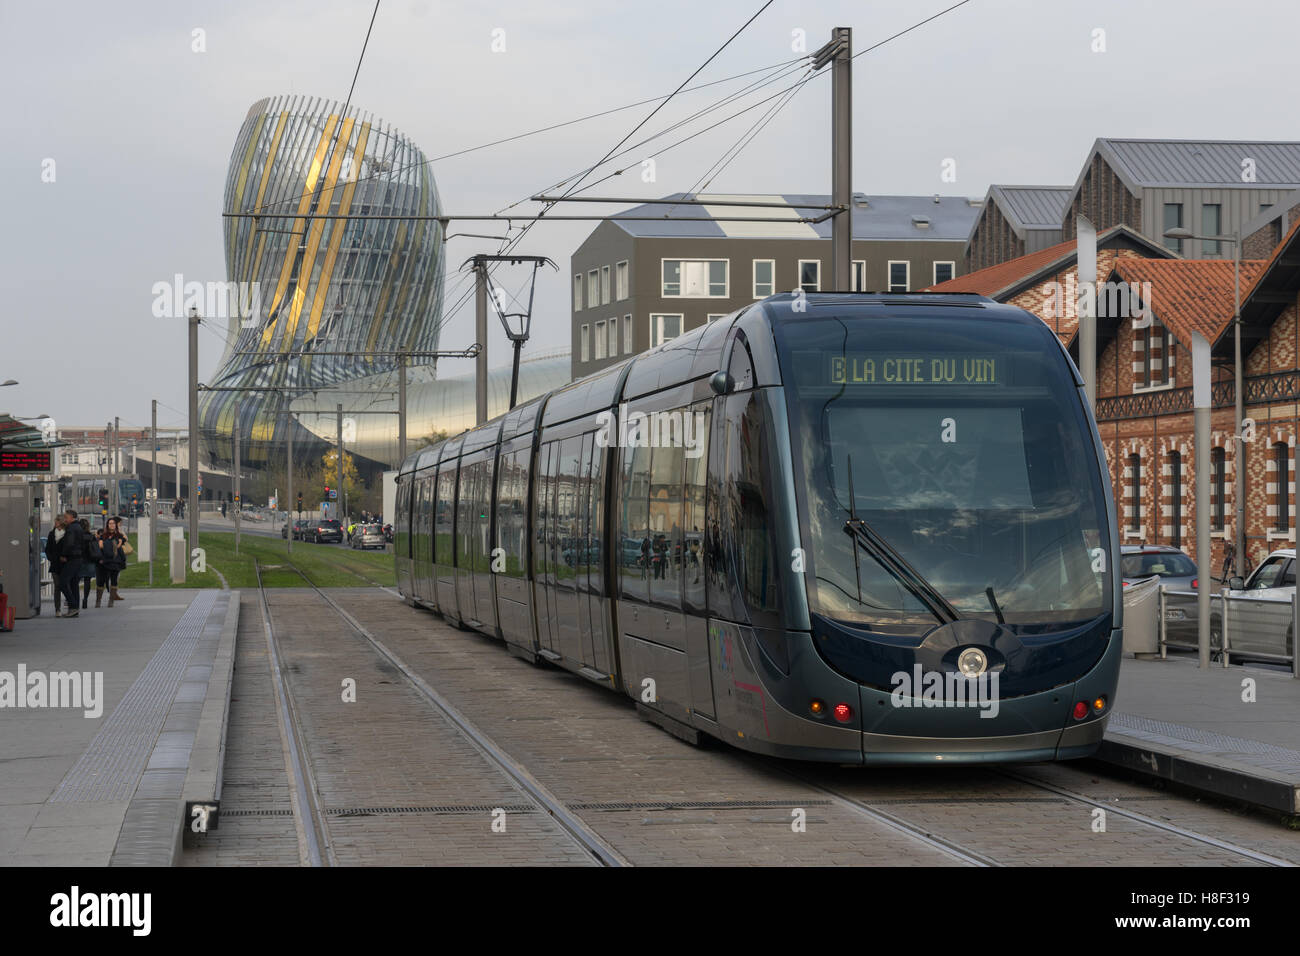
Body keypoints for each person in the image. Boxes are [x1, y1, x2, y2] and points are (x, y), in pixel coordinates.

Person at [57, 509, 86, 618]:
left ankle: (73, 605)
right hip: (78, 558)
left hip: (72, 558)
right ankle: (74, 609)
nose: (64, 519)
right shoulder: (78, 527)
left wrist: (64, 555)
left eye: (66, 517)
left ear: (71, 517)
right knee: (74, 584)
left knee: (63, 582)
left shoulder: (71, 529)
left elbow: (69, 543)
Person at [98, 517, 129, 607]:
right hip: (106, 561)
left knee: (114, 580)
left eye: (113, 523)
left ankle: (111, 600)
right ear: (107, 525)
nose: (112, 525)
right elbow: (100, 546)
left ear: (116, 525)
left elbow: (121, 543)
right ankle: (98, 600)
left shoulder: (119, 535)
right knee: (102, 580)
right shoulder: (103, 535)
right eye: (110, 523)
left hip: (116, 560)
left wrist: (109, 543)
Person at [44, 515, 66, 615]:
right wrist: (51, 558)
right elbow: (48, 549)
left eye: (57, 521)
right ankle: (57, 609)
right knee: (57, 586)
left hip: (65, 564)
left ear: (61, 522)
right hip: (55, 564)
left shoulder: (67, 533)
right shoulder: (51, 534)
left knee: (65, 585)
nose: (55, 523)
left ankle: (70, 603)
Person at [77, 519, 99, 609]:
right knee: (87, 581)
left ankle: (74, 599)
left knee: (75, 581)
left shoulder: (77, 536)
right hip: (90, 561)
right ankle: (85, 599)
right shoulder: (91, 536)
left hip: (79, 561)